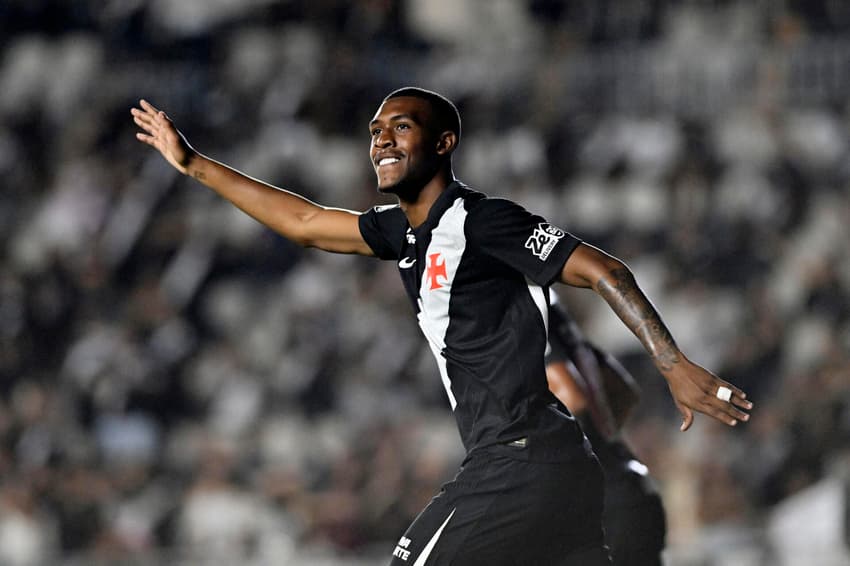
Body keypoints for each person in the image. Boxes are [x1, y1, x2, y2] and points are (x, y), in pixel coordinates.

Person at [131, 87, 752, 565]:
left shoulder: (482, 222)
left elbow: (603, 269)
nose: (382, 141)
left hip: (517, 464)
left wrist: (673, 364)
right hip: (565, 471)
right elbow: (305, 222)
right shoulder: (399, 231)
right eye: (375, 131)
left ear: (445, 142)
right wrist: (193, 165)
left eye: (401, 127)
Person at [545, 290, 666, 566]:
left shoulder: (535, 335)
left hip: (604, 508)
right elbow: (624, 392)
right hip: (629, 484)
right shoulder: (575, 339)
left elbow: (572, 399)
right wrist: (608, 440)